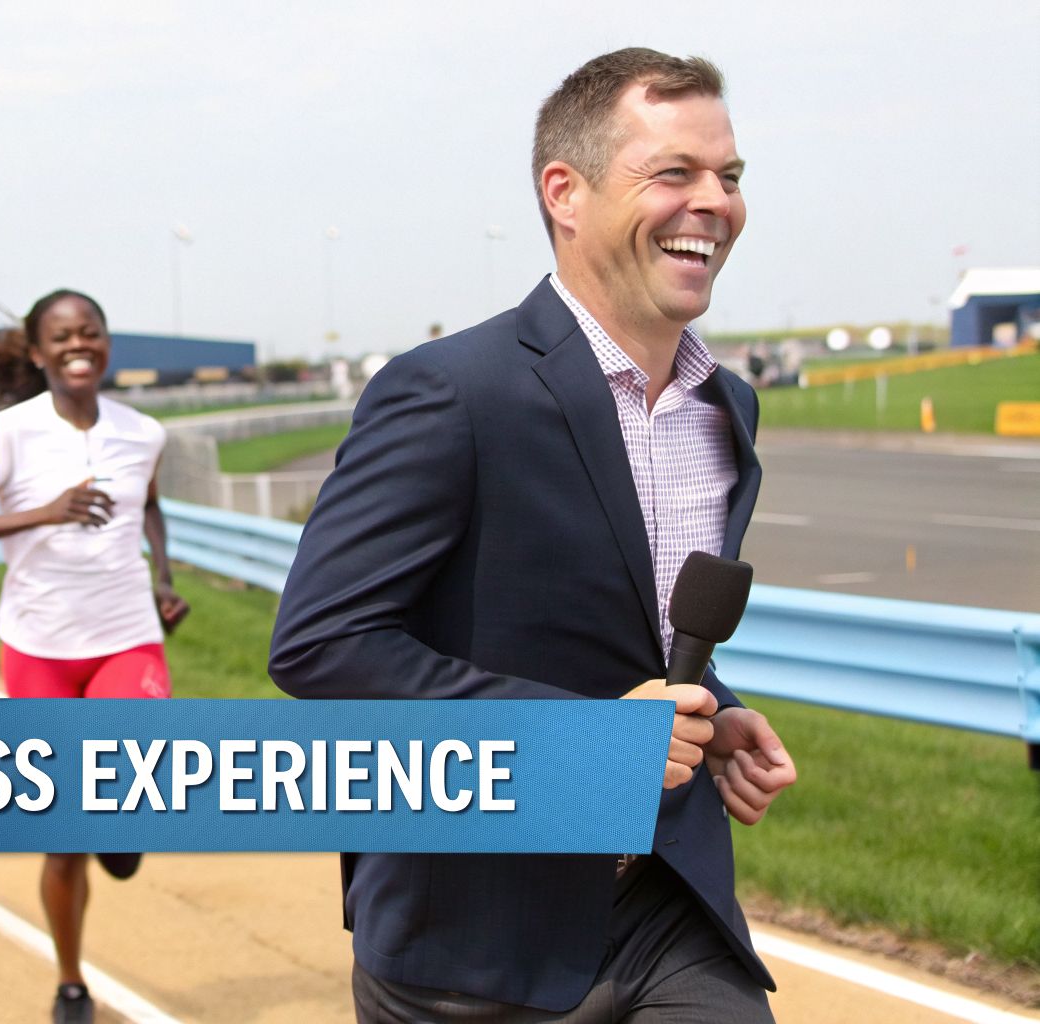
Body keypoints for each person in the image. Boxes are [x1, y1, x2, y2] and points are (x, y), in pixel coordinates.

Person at [269, 49, 797, 1022]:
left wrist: (709, 714)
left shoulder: (729, 409)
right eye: (672, 173)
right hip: (470, 938)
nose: (712, 202)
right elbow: (319, 644)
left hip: (666, 904)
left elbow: (631, 636)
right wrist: (575, 743)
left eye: (728, 177)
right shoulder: (448, 391)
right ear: (564, 191)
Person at [0, 289, 190, 1024]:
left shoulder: (143, 432)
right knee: (62, 838)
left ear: (106, 343)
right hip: (38, 646)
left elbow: (150, 506)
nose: (79, 345)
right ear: (37, 353)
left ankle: (122, 819)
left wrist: (163, 578)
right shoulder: (8, 434)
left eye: (91, 332)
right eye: (62, 337)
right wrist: (44, 511)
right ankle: (71, 981)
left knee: (129, 764)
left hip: (127, 633)